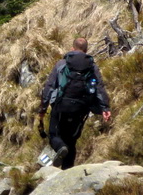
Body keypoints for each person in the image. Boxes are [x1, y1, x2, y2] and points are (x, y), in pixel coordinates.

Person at [39, 37, 111, 169]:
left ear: (72, 49)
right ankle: (68, 170)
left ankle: (60, 148)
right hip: (81, 108)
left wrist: (43, 109)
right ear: (86, 50)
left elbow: (49, 86)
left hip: (61, 105)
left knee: (54, 135)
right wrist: (105, 108)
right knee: (71, 141)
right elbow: (99, 88)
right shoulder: (92, 67)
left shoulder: (62, 64)